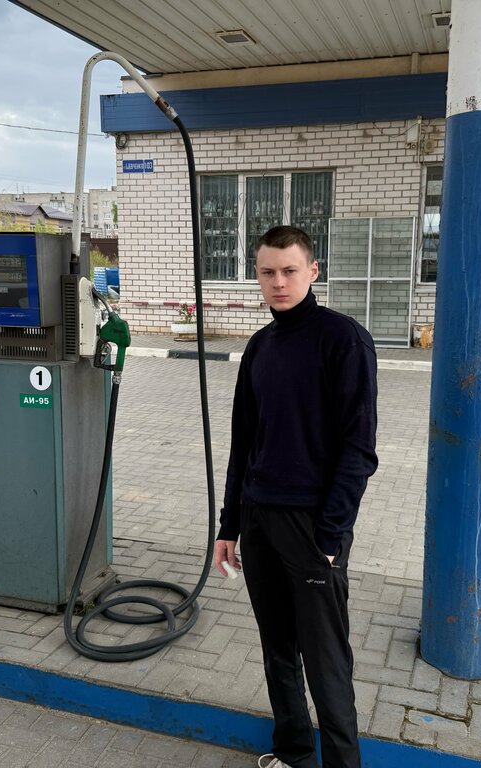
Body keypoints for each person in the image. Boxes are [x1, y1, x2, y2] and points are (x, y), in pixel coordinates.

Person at [213, 225, 378, 768]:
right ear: (257, 276)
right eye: (268, 272)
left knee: (325, 661)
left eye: (289, 271)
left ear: (313, 271)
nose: (278, 282)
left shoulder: (343, 340)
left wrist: (330, 537)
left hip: (312, 527)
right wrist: (230, 525)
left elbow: (359, 449)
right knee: (278, 649)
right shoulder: (260, 347)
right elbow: (243, 443)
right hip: (259, 519)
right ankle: (293, 754)